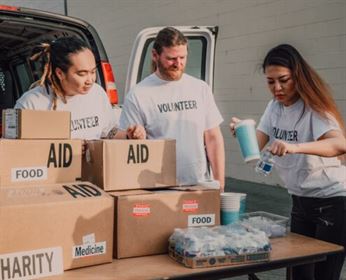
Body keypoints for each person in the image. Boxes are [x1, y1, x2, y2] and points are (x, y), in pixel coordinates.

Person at [230, 44, 346, 280]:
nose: (277, 88)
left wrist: (295, 147)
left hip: (333, 203)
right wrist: (241, 131)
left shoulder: (314, 106)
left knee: (325, 275)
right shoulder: (273, 107)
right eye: (270, 82)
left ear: (298, 76)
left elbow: (339, 144)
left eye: (283, 80)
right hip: (300, 203)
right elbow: (257, 145)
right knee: (297, 275)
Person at [119, 27, 225, 190]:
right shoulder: (138, 95)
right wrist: (135, 135)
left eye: (182, 57)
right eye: (171, 58)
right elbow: (129, 149)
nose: (178, 64)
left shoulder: (200, 88)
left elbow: (213, 138)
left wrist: (220, 184)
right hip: (157, 188)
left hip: (199, 185)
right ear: (155, 55)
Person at [14, 36, 145, 140]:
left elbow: (109, 132)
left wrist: (129, 135)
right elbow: (16, 152)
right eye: (82, 74)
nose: (90, 80)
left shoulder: (97, 93)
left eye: (93, 72)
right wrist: (66, 150)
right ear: (60, 73)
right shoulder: (31, 104)